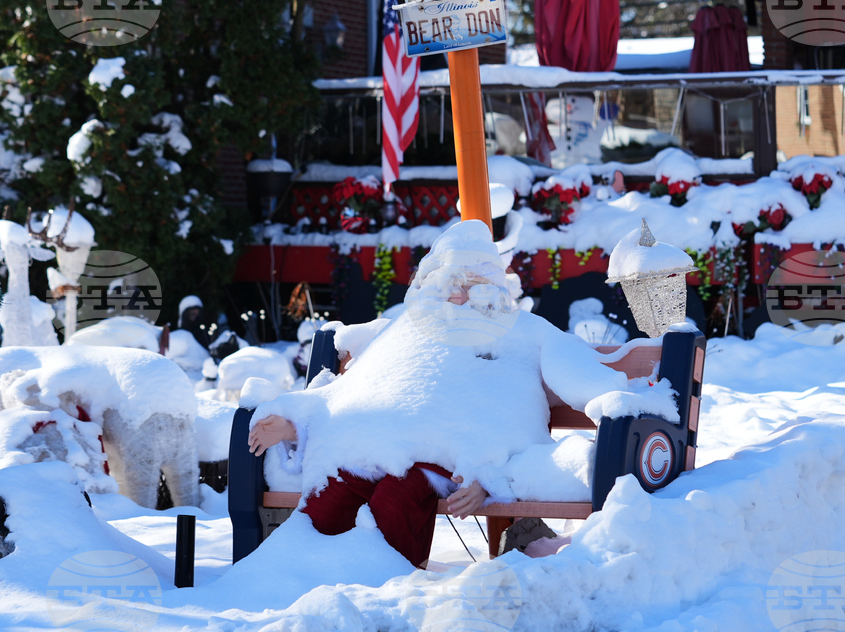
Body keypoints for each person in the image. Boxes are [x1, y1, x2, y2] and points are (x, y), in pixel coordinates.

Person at [247, 220, 631, 567]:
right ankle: (296, 578)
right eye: (451, 284)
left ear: (491, 286)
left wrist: (489, 475)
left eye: (471, 285)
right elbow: (354, 392)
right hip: (382, 445)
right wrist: (294, 423)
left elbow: (528, 407)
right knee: (333, 488)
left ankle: (382, 589)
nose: (459, 296)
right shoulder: (408, 330)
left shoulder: (522, 331)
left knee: (395, 499)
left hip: (452, 456)